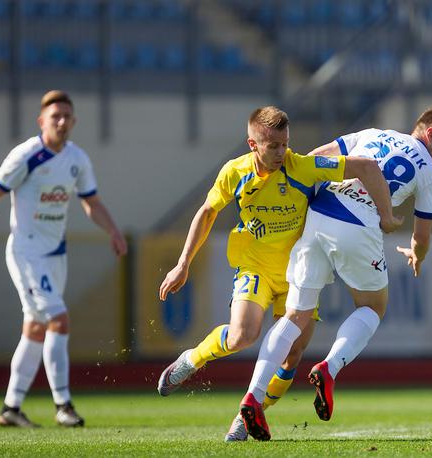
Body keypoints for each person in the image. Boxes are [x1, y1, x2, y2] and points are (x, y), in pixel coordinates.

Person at [156, 106, 400, 441]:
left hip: (298, 272)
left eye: (285, 144)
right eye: (273, 146)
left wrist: (386, 212)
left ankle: (247, 415)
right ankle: (190, 361)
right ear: (252, 144)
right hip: (255, 265)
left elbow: (362, 166)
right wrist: (183, 263)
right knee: (244, 334)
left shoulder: (301, 166)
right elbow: (208, 211)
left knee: (293, 354)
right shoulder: (235, 172)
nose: (282, 152)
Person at [237, 106, 432, 441]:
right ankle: (329, 368)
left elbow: (318, 156)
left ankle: (253, 396)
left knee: (295, 316)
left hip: (318, 215)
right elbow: (422, 234)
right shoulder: (430, 172)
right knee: (373, 307)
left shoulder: (373, 134)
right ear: (430, 132)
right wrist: (417, 255)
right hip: (359, 223)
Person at [0, 90, 128, 428]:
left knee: (36, 329)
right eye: (55, 117)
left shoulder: (77, 158)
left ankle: (11, 407)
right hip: (26, 251)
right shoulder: (26, 156)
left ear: (74, 121)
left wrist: (113, 230)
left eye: (67, 116)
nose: (62, 122)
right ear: (42, 121)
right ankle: (63, 404)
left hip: (55, 255)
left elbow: (90, 202)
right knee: (59, 319)